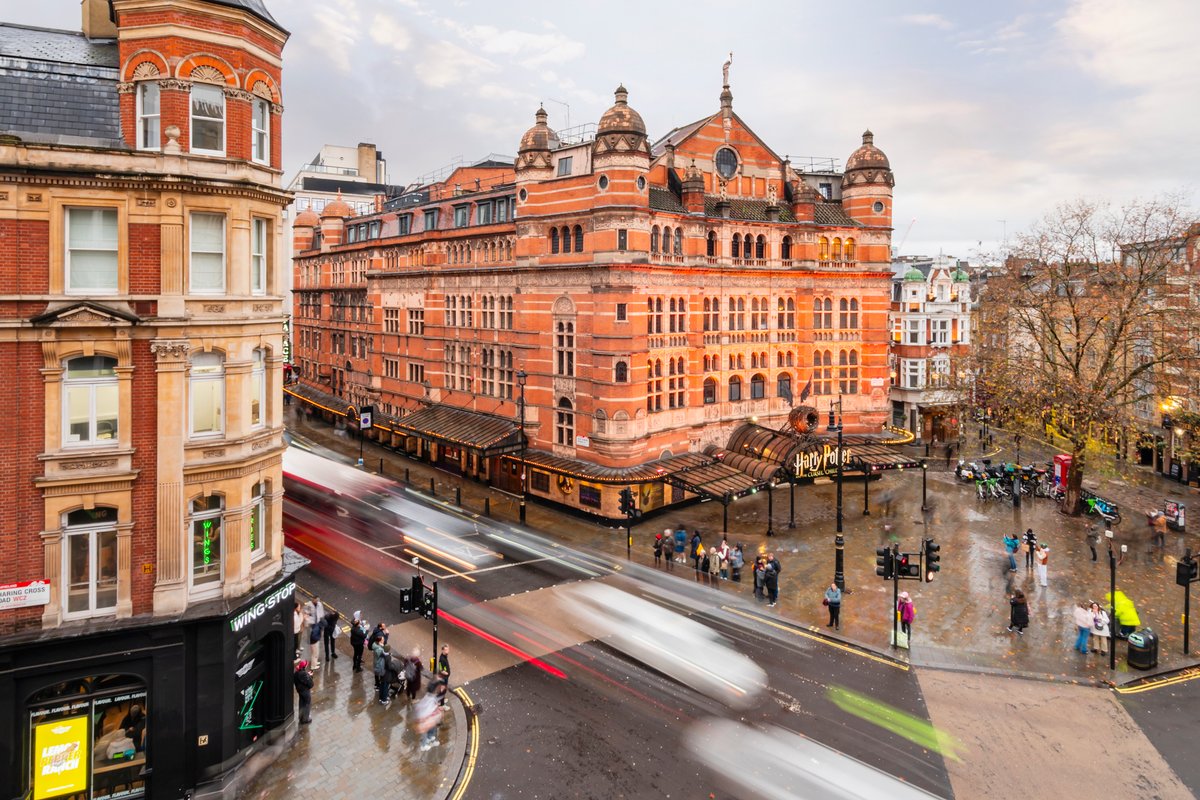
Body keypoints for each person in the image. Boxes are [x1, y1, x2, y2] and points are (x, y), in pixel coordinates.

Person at [414, 682, 444, 751]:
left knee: (431, 728)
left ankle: (429, 738)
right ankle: (423, 745)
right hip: (424, 719)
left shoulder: (430, 696)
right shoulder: (430, 698)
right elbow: (428, 708)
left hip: (428, 719)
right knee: (425, 731)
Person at [372, 639, 390, 704]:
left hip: (379, 668)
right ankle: (384, 700)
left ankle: (381, 697)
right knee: (385, 685)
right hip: (383, 672)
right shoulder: (383, 653)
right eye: (382, 640)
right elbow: (388, 665)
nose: (383, 641)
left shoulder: (375, 646)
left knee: (382, 684)